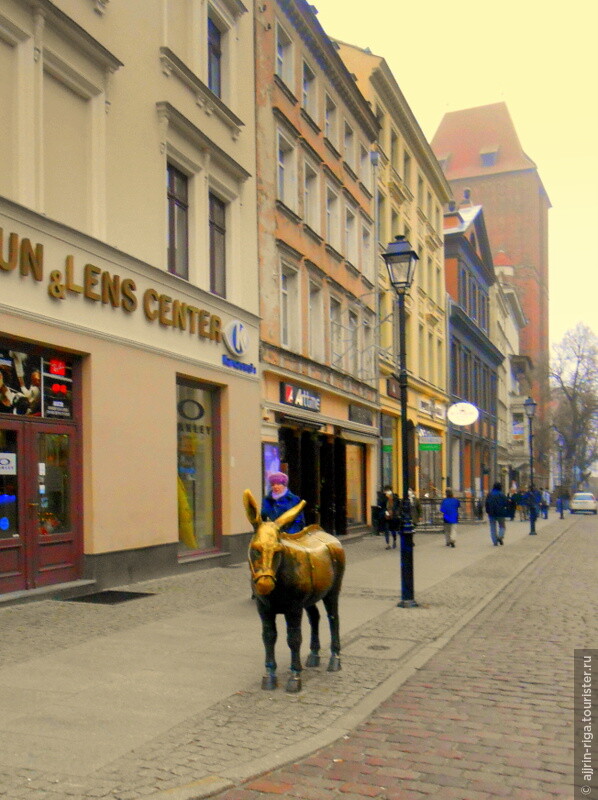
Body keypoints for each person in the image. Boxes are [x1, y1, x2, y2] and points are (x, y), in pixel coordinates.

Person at [484, 481, 510, 546]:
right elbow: (506, 503)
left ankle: (495, 542)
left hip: (491, 513)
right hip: (500, 513)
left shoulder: (490, 494)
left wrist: (487, 511)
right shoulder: (502, 494)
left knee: (492, 528)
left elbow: (486, 504)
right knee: (502, 526)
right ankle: (500, 536)